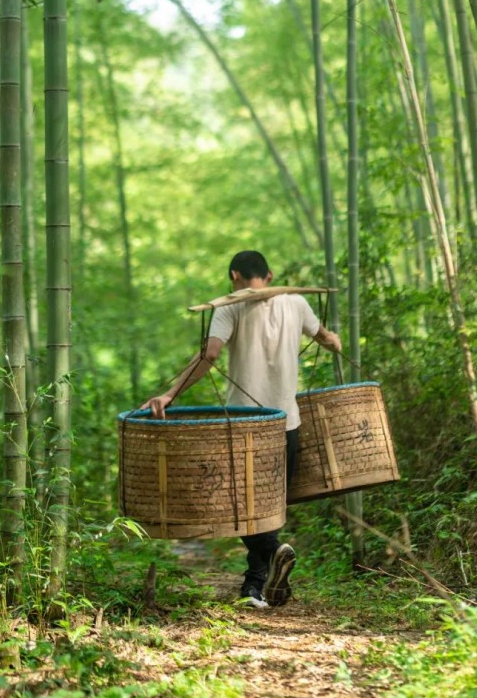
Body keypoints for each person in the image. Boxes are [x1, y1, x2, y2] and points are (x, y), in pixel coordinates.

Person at [141, 249, 342, 609]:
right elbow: (325, 337)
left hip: (244, 425)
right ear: (270, 274)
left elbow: (211, 354)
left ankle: (264, 567)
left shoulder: (230, 306)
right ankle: (255, 587)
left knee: (242, 506)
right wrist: (333, 340)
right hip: (286, 423)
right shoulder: (295, 302)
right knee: (267, 506)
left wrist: (171, 393)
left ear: (234, 275)